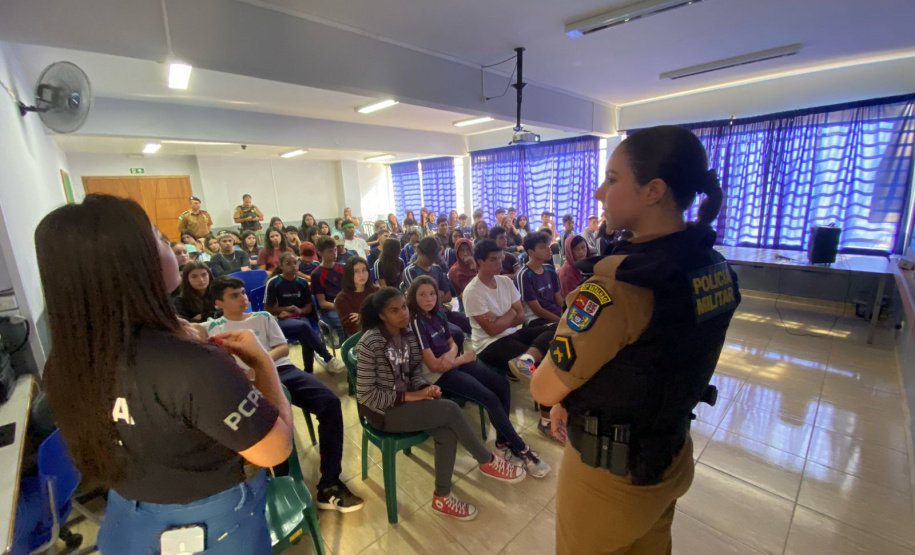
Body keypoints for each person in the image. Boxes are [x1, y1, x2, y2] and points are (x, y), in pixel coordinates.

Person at [36, 194, 292, 554]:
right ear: (137, 265)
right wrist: (263, 362)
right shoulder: (190, 365)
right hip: (209, 524)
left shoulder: (65, 362)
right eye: (159, 238)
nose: (173, 247)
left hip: (128, 519)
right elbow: (275, 449)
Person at [526, 125, 739, 554]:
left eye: (613, 178)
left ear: (653, 190)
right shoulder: (711, 265)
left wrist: (561, 390)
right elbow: (652, 359)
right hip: (669, 454)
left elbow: (543, 387)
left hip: (611, 481)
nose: (600, 192)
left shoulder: (620, 288)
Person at [354, 288, 526, 520]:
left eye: (403, 306)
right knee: (450, 409)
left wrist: (423, 387)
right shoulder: (370, 343)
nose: (403, 313)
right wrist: (412, 396)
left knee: (447, 431)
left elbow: (414, 370)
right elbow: (366, 395)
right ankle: (487, 461)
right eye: (394, 310)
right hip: (384, 412)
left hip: (408, 402)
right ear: (382, 315)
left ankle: (441, 498)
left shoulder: (407, 334)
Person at [205, 276, 363, 512]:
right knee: (270, 424)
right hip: (244, 383)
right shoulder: (214, 328)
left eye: (242, 293)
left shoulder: (263, 318)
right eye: (234, 295)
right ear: (219, 303)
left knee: (329, 403)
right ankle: (285, 485)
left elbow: (283, 348)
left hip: (282, 370)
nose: (243, 298)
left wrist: (261, 363)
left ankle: (329, 483)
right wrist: (247, 372)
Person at [406, 276, 550, 477]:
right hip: (438, 377)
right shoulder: (416, 323)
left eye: (432, 293)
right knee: (488, 398)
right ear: (413, 297)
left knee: (501, 384)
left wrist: (453, 355)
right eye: (422, 294)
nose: (429, 298)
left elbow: (453, 343)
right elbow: (433, 365)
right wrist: (460, 359)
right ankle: (522, 448)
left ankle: (501, 443)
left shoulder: (437, 315)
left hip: (454, 364)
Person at [461, 239, 557, 439]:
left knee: (556, 329)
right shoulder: (472, 291)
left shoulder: (505, 281)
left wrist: (503, 318)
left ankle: (527, 357)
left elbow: (521, 315)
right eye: (494, 260)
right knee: (542, 367)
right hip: (489, 346)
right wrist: (510, 315)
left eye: (501, 258)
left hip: (512, 333)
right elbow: (492, 330)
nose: (500, 263)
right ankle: (546, 421)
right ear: (479, 263)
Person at [264, 253, 346, 374]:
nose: (293, 266)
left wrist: (301, 310)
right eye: (288, 263)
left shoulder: (302, 282)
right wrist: (286, 309)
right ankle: (328, 358)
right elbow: (267, 309)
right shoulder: (274, 282)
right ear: (281, 266)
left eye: (295, 262)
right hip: (281, 319)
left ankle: (309, 371)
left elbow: (308, 306)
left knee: (305, 335)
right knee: (305, 328)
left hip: (300, 316)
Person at [515, 233, 563, 327]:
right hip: (536, 319)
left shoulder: (550, 269)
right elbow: (538, 310)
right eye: (542, 247)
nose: (548, 249)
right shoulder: (524, 275)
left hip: (555, 313)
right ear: (531, 252)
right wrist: (561, 321)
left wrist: (567, 312)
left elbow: (558, 297)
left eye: (547, 246)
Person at [311, 236, 348, 342]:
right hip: (330, 308)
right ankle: (344, 349)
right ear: (320, 253)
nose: (334, 253)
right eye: (330, 251)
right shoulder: (316, 274)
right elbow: (322, 303)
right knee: (344, 323)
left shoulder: (343, 268)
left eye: (335, 250)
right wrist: (341, 307)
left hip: (345, 303)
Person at [334, 257, 379, 336]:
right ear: (349, 274)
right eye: (356, 271)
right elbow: (354, 328)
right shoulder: (342, 298)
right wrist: (377, 316)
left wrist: (364, 318)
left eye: (364, 270)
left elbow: (387, 315)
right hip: (360, 340)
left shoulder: (376, 290)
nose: (361, 275)